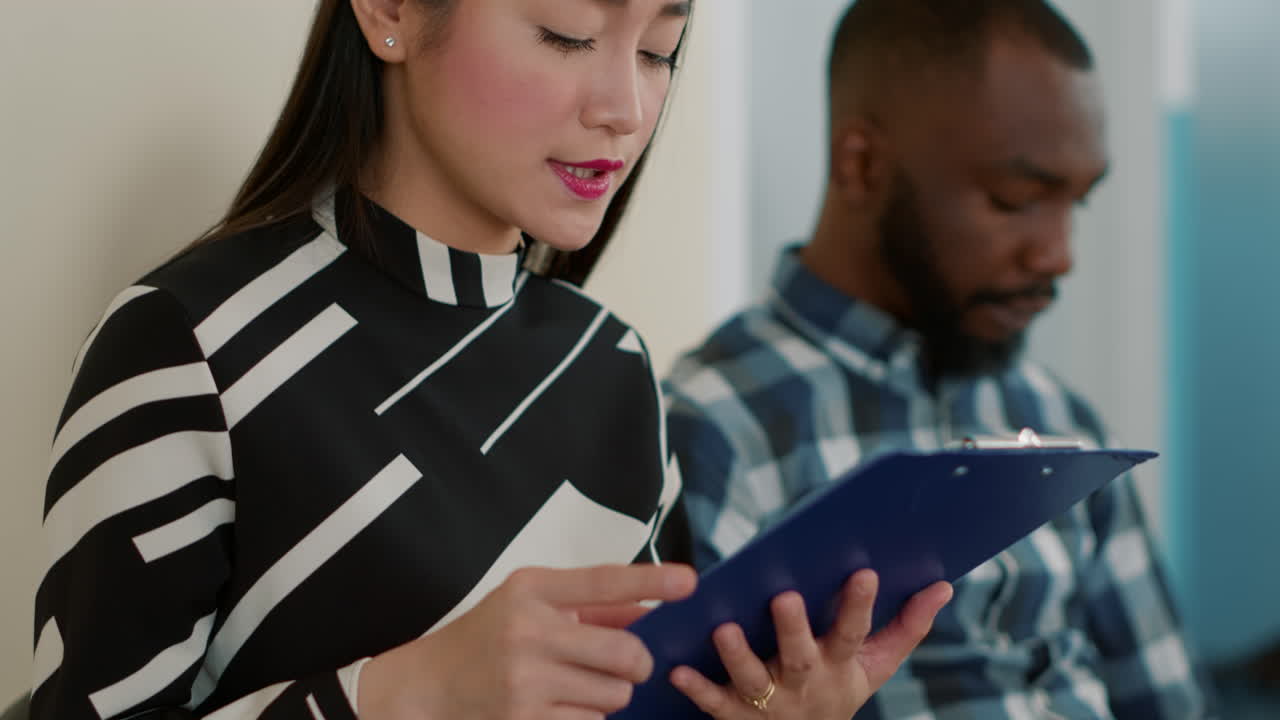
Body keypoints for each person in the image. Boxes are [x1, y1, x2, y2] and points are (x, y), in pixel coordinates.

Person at [30, 1, 952, 719]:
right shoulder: (187, 344)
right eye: (566, 35)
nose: (625, 108)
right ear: (389, 11)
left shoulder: (611, 367)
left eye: (659, 50)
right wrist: (403, 696)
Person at [665, 0, 1215, 717]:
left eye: (1076, 202)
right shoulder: (713, 427)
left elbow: (1171, 702)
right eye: (1017, 199)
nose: (1059, 254)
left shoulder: (1059, 416)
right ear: (862, 167)